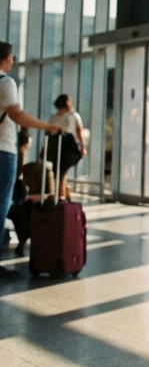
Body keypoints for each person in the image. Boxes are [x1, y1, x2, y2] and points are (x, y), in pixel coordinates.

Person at [0, 42, 61, 277]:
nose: (13, 61)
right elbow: (16, 114)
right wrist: (47, 127)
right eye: (12, 57)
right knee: (2, 204)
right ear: (6, 59)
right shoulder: (6, 82)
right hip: (3, 151)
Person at [48, 93, 87, 199]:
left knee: (57, 171)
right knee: (63, 171)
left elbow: (49, 132)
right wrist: (83, 146)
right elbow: (79, 132)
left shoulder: (53, 117)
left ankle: (61, 192)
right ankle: (61, 195)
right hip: (68, 145)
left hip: (55, 145)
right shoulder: (74, 116)